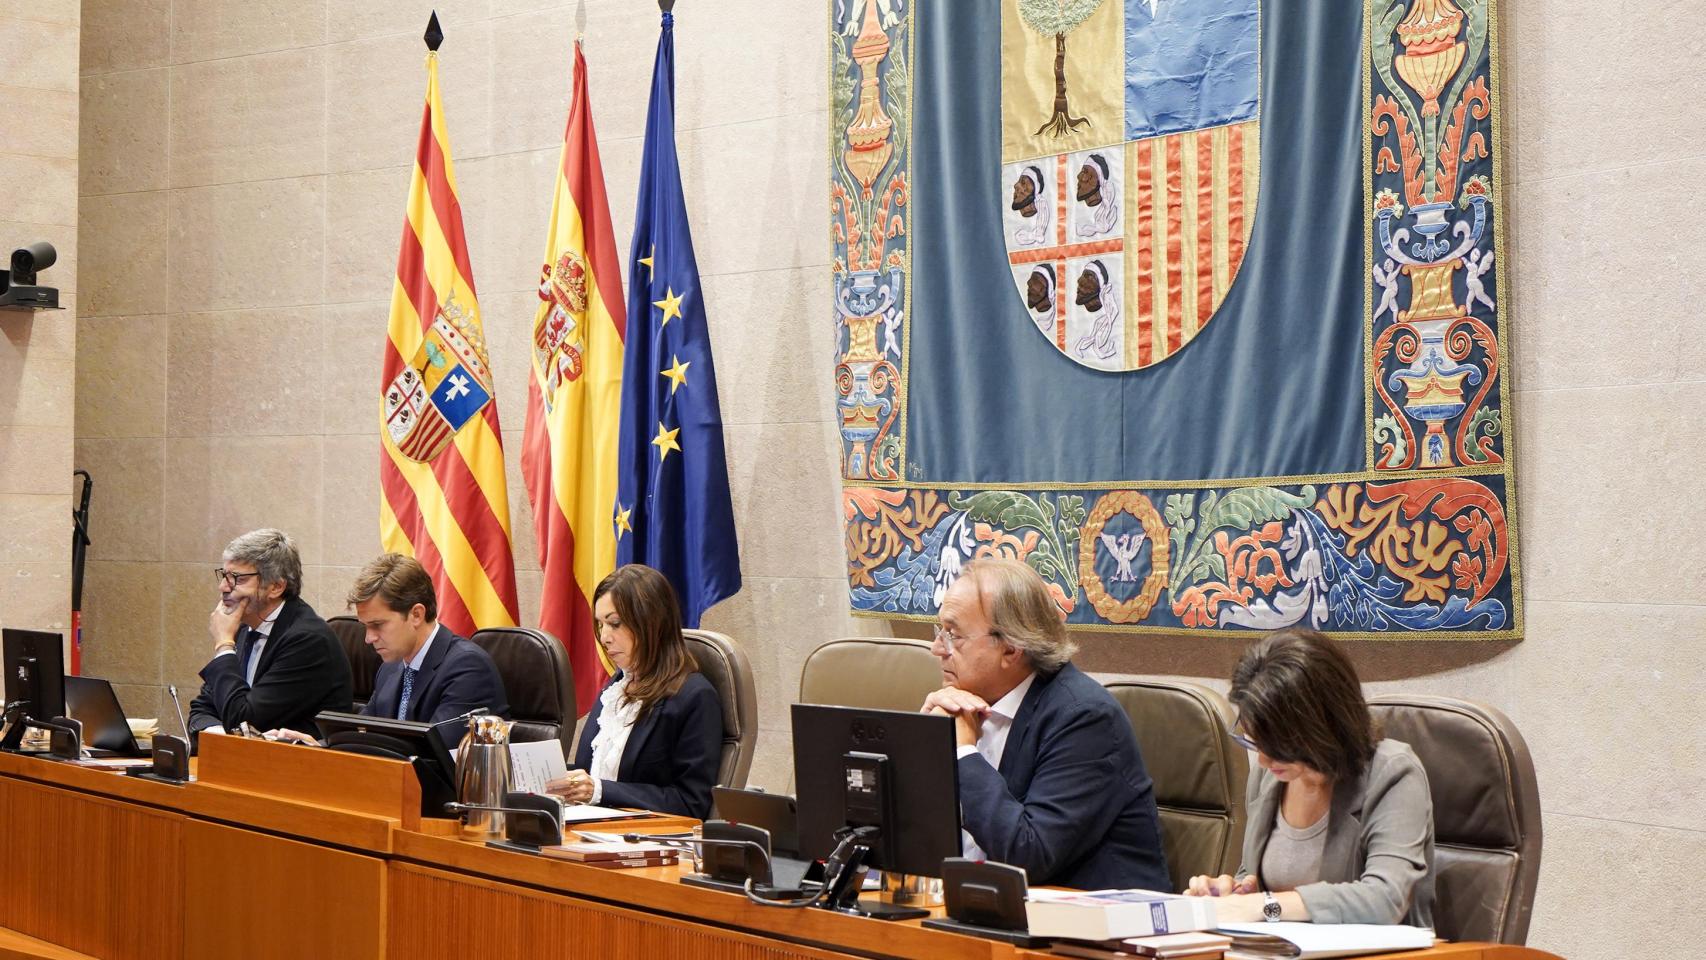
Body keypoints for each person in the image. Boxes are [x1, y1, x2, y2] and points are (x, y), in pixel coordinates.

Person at [922, 557, 1169, 890]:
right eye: (939, 632)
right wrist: (923, 747)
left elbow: (1029, 856)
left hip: (1094, 929)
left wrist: (962, 753)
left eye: (953, 636)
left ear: (1010, 648)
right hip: (982, 914)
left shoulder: (1084, 718)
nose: (937, 649)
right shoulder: (958, 710)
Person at [1186, 628, 1435, 925]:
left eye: (1277, 747)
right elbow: (1256, 884)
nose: (1264, 761)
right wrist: (1234, 893)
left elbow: (1385, 899)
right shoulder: (1271, 779)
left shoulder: (1392, 774)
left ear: (1321, 727)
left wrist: (1265, 906)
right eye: (1255, 741)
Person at [546, 565, 722, 819]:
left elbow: (691, 802)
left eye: (615, 624)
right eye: (600, 624)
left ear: (652, 624)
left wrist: (599, 791)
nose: (604, 637)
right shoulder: (615, 687)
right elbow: (594, 773)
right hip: (589, 832)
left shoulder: (694, 697)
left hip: (646, 843)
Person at [187, 529, 352, 740]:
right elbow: (202, 709)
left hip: (299, 767)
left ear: (276, 587)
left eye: (237, 578)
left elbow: (243, 719)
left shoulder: (307, 640)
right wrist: (223, 738)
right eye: (224, 575)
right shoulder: (244, 627)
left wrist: (223, 645)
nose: (223, 587)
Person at [351, 554, 509, 724]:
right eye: (365, 626)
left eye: (378, 624)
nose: (369, 638)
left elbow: (437, 747)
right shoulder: (389, 669)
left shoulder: (468, 668)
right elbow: (362, 735)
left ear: (416, 615)